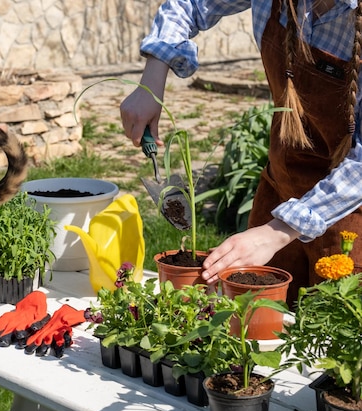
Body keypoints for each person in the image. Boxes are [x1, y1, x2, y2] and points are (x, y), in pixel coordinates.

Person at [120, 0, 362, 304]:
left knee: (332, 342)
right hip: (279, 193)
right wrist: (152, 80)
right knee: (252, 328)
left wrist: (274, 233)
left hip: (347, 210)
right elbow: (190, 4)